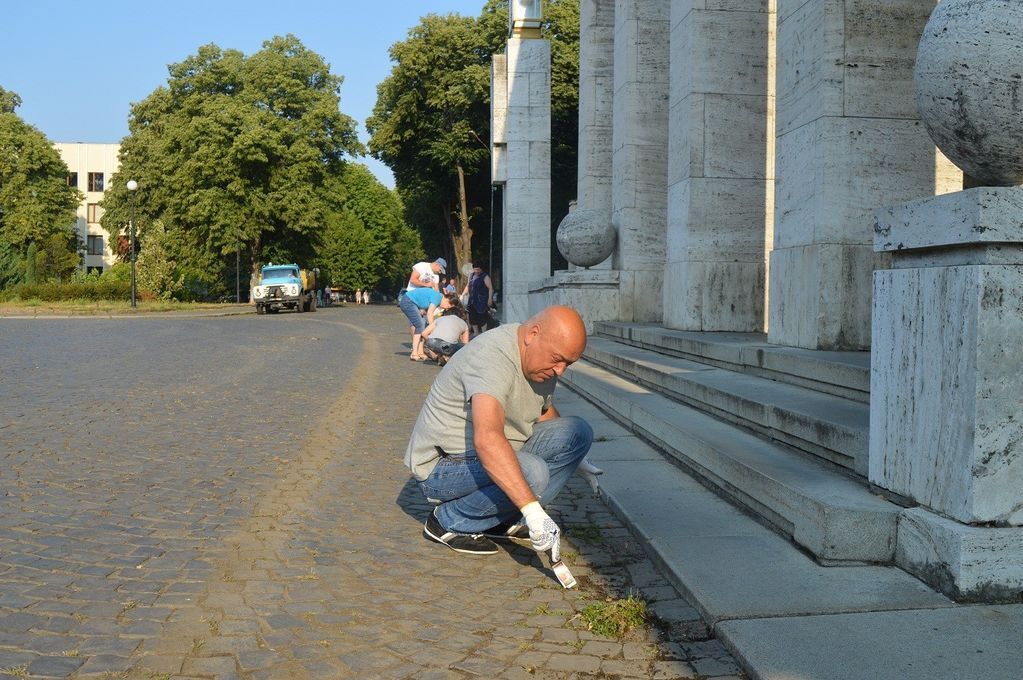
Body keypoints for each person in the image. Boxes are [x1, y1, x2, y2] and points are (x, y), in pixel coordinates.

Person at [405, 305, 593, 556]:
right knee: (533, 473)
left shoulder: (540, 360)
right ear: (532, 334)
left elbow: (544, 410)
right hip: (442, 466)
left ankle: (499, 520)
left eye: (568, 363)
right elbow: (487, 439)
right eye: (558, 359)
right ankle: (448, 521)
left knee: (578, 432)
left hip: (481, 456)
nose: (560, 371)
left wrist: (575, 456)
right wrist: (533, 512)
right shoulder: (492, 357)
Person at [399, 258, 447, 358]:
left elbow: (436, 291)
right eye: (440, 270)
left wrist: (438, 301)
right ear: (437, 265)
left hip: (425, 302)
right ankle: (415, 349)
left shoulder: (436, 276)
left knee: (424, 324)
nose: (440, 272)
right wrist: (426, 284)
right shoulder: (421, 266)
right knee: (417, 323)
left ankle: (420, 350)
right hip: (413, 298)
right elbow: (413, 280)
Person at [422, 293, 470, 365]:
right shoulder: (464, 324)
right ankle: (447, 356)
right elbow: (465, 344)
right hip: (447, 346)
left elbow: (424, 333)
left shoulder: (440, 318)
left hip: (432, 343)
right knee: (461, 346)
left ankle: (439, 355)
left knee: (440, 345)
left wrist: (429, 342)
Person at [403, 285, 442, 361]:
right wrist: (432, 328)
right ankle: (414, 353)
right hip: (409, 301)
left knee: (423, 325)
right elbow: (429, 314)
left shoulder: (437, 296)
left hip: (412, 301)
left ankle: (420, 352)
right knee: (420, 325)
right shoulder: (437, 297)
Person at [461, 262, 494, 338]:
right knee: (472, 316)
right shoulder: (471, 275)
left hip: (481, 300)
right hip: (472, 300)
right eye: (475, 269)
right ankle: (476, 332)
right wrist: (462, 295)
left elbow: (490, 289)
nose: (477, 271)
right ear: (473, 269)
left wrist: (489, 299)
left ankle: (483, 333)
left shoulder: (485, 277)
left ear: (481, 269)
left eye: (478, 269)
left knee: (482, 317)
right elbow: (468, 286)